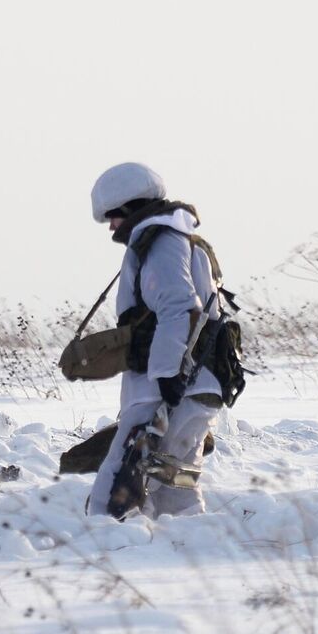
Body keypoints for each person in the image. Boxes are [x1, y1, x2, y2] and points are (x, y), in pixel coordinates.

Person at [85, 162, 229, 518]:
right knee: (173, 488)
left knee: (112, 495)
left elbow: (179, 306)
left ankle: (104, 555)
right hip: (200, 386)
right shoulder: (184, 239)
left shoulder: (160, 242)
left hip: (166, 390)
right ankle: (188, 549)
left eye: (114, 216)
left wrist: (166, 375)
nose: (112, 227)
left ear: (132, 206)